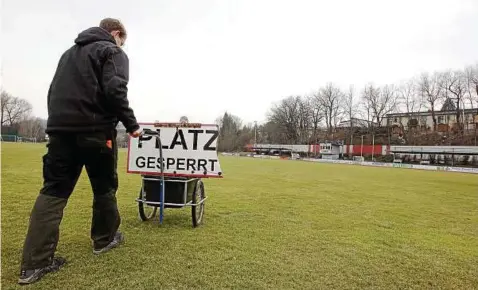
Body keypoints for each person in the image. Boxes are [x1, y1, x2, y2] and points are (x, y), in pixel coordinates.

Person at [18, 18, 141, 285]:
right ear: (117, 34)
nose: (122, 45)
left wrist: (58, 126)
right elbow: (115, 89)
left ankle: (34, 264)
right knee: (104, 188)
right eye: (123, 41)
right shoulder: (113, 51)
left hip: (60, 132)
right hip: (96, 133)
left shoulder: (68, 54)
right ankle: (104, 239)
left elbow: (53, 91)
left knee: (53, 191)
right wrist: (131, 125)